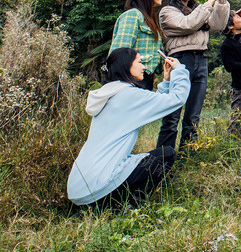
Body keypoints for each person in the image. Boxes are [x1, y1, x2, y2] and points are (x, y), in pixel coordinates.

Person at [67, 47, 189, 209]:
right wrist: (180, 70)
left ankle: (100, 206)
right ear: (126, 66)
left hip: (79, 189)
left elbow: (157, 103)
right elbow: (177, 99)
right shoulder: (130, 96)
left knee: (136, 159)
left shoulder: (109, 93)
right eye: (139, 62)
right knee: (166, 155)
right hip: (98, 188)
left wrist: (166, 82)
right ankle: (130, 207)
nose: (143, 67)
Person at [156, 0, 230, 150]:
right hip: (179, 60)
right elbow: (187, 24)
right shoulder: (167, 11)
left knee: (193, 116)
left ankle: (186, 156)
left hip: (200, 60)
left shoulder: (197, 10)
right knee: (172, 115)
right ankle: (163, 159)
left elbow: (218, 25)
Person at [109, 0, 165, 90]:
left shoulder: (149, 19)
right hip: (131, 79)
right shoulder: (133, 15)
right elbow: (120, 51)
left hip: (145, 78)